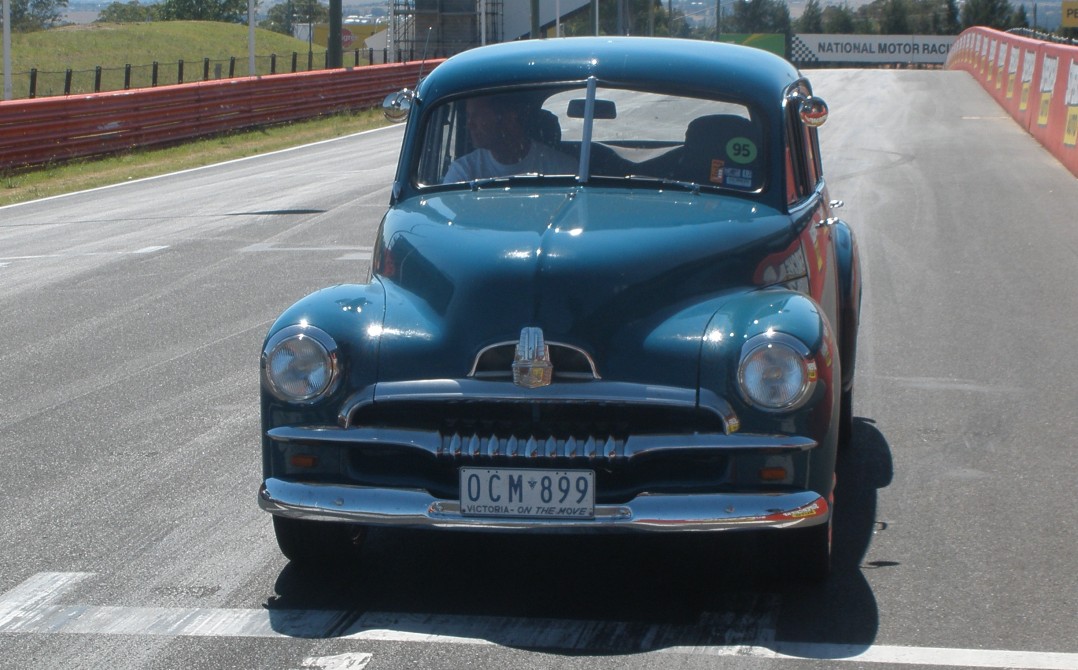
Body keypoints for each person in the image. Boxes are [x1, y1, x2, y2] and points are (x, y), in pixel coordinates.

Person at [442, 94, 577, 184]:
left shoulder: (563, 171)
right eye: (469, 116)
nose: (470, 124)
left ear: (510, 117)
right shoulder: (463, 174)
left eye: (478, 115)